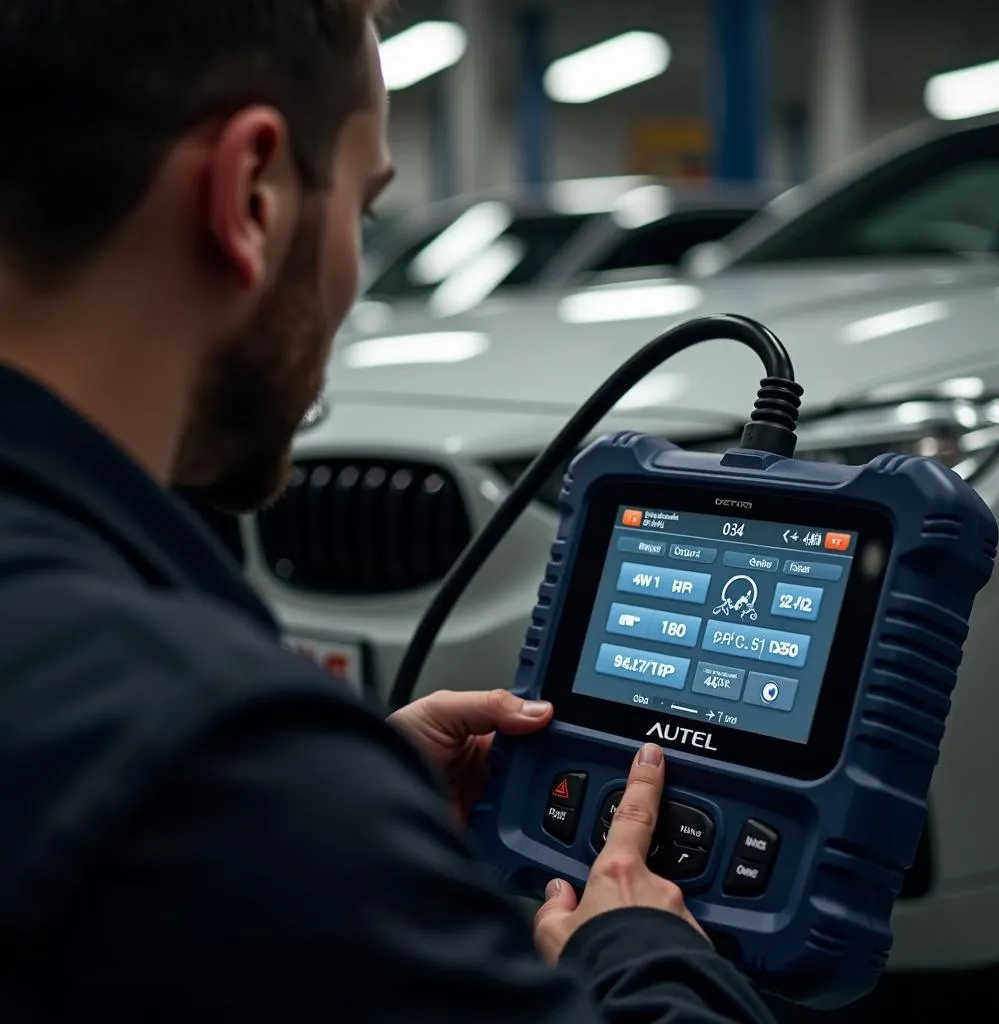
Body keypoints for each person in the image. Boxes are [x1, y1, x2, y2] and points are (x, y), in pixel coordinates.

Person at [0, 4, 778, 1022]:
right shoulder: (206, 761)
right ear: (252, 195)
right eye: (362, 212)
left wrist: (352, 794)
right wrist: (640, 951)